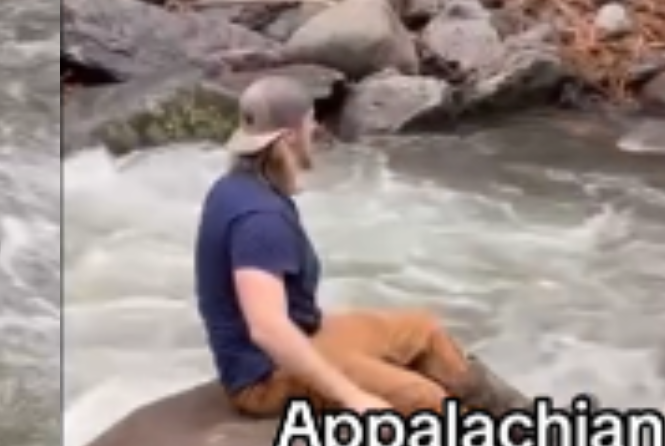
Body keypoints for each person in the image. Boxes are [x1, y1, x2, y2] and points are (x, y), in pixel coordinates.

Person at [193, 76, 530, 417]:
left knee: (423, 329)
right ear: (290, 136)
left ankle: (520, 420)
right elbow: (268, 329)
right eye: (310, 124)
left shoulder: (237, 186)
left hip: (308, 333)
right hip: (266, 376)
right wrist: (353, 396)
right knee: (423, 398)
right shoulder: (259, 219)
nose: (316, 133)